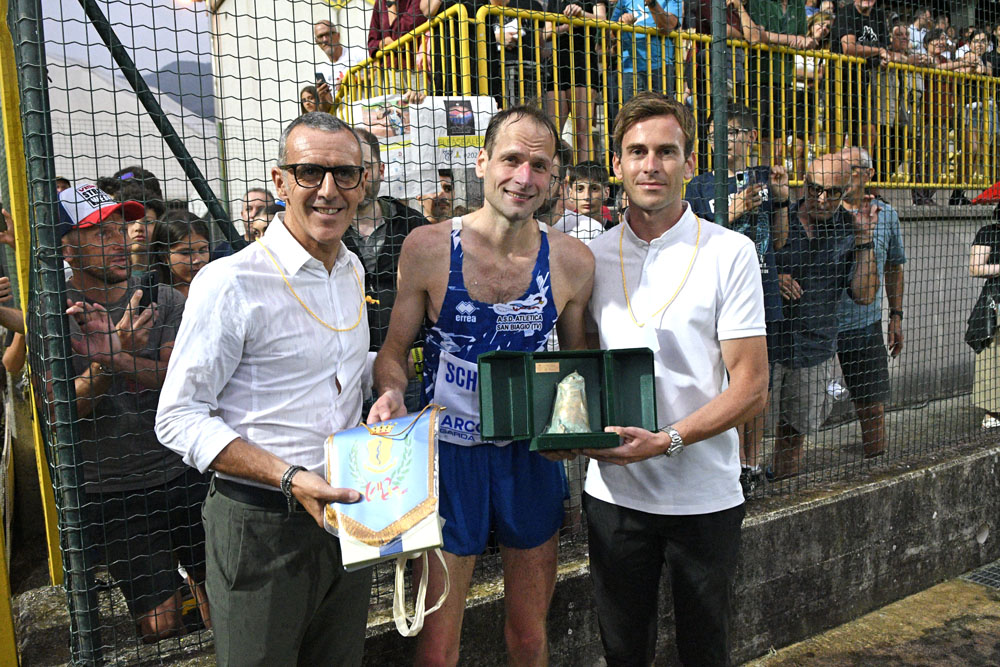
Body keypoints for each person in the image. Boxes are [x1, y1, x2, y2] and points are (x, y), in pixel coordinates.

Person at [367, 105, 594, 665]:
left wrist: (583, 426)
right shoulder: (426, 247)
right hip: (449, 457)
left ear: (553, 179)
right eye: (512, 159)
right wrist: (391, 391)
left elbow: (577, 364)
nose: (524, 177)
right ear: (482, 161)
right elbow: (394, 352)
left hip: (530, 457)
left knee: (527, 636)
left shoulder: (571, 260)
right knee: (439, 645)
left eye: (540, 166)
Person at [156, 112, 373, 665]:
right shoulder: (230, 281)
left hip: (344, 516)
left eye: (344, 174)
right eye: (309, 173)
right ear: (280, 182)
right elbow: (179, 417)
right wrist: (288, 476)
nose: (328, 191)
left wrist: (385, 384)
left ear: (362, 182)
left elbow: (329, 371)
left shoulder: (351, 270)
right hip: (259, 524)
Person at [577, 92, 768, 665]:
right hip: (613, 494)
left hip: (704, 496)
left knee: (704, 650)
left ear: (689, 162)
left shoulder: (729, 252)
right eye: (636, 151)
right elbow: (576, 368)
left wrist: (670, 440)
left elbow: (751, 386)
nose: (650, 165)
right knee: (622, 650)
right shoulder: (589, 257)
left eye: (666, 151)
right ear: (617, 163)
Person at [58, 183, 210, 642]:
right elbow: (64, 408)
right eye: (100, 234)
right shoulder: (55, 313)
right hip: (115, 489)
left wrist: (117, 356)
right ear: (66, 246)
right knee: (160, 624)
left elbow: (177, 378)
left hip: (185, 469)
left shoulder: (163, 299)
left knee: (224, 597)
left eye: (121, 229)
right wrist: (109, 360)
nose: (120, 242)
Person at [684, 103, 790, 495]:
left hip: (762, 289)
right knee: (727, 382)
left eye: (733, 132)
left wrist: (779, 199)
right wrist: (732, 210)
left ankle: (752, 462)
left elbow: (778, 241)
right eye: (717, 133)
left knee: (757, 380)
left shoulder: (764, 177)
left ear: (749, 138)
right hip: (716, 294)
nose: (723, 140)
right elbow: (693, 241)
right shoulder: (700, 186)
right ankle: (728, 461)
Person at [770, 152, 879, 480]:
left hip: (814, 346)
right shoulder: (777, 215)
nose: (821, 198)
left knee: (794, 433)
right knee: (744, 430)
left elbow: (864, 295)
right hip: (767, 345)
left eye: (832, 192)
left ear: (845, 191)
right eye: (815, 188)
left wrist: (864, 240)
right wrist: (771, 280)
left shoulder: (849, 228)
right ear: (804, 183)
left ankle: (783, 490)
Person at [836, 147, 905, 460]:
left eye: (851, 169)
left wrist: (896, 316)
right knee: (798, 417)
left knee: (872, 406)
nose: (844, 176)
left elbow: (894, 266)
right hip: (820, 325)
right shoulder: (826, 212)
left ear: (868, 174)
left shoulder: (886, 215)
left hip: (863, 324)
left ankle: (875, 463)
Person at [344, 127, 427, 354]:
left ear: (381, 170)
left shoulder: (414, 226)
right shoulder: (327, 233)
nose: (359, 176)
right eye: (349, 169)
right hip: (344, 368)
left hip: (406, 366)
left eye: (366, 167)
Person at [546, 0, 608, 163]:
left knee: (582, 131)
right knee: (552, 132)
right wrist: (567, 26)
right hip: (558, 64)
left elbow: (602, 20)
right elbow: (546, 32)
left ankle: (584, 179)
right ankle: (556, 180)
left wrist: (581, 15)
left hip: (584, 62)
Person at [610, 0, 682, 100]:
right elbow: (610, 37)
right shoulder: (623, 1)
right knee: (632, 114)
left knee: (661, 112)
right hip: (630, 68)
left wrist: (652, 3)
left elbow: (669, 26)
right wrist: (620, 24)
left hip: (660, 67)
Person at [536, 140, 606, 242]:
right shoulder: (510, 231)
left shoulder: (590, 231)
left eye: (549, 178)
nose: (537, 184)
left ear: (562, 186)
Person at [970, 214, 1000, 429]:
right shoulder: (989, 232)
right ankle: (994, 412)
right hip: (997, 300)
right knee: (994, 356)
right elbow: (975, 268)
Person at [149, 210, 212, 299]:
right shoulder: (152, 295)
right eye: (185, 253)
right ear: (163, 255)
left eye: (203, 250)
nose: (197, 260)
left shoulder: (218, 289)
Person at [314, 19, 366, 99]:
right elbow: (329, 106)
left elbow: (377, 74)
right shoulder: (321, 70)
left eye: (328, 34)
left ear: (338, 36)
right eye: (320, 36)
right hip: (340, 111)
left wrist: (353, 80)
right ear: (317, 42)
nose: (325, 39)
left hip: (364, 109)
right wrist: (322, 98)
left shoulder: (357, 53)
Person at [565, 160, 612, 227]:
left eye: (594, 189)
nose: (587, 197)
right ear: (570, 194)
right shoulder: (563, 233)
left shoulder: (617, 234)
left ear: (606, 193)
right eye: (580, 189)